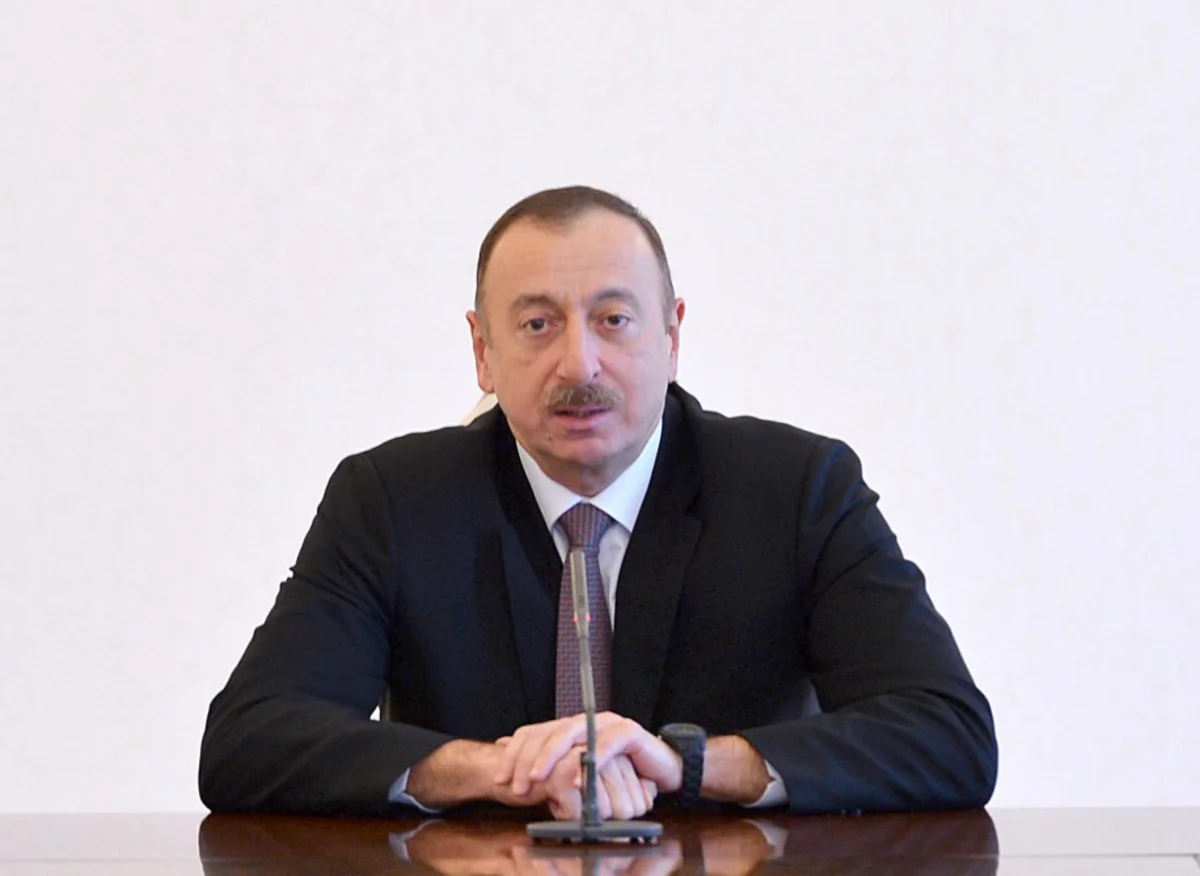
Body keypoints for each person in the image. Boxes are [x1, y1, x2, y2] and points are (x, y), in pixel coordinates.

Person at [199, 185, 998, 819]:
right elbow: (248, 740)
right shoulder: (393, 501)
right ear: (482, 351)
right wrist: (490, 768)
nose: (578, 363)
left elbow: (948, 733)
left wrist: (687, 763)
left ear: (672, 337)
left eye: (614, 321)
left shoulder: (797, 489)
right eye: (537, 325)